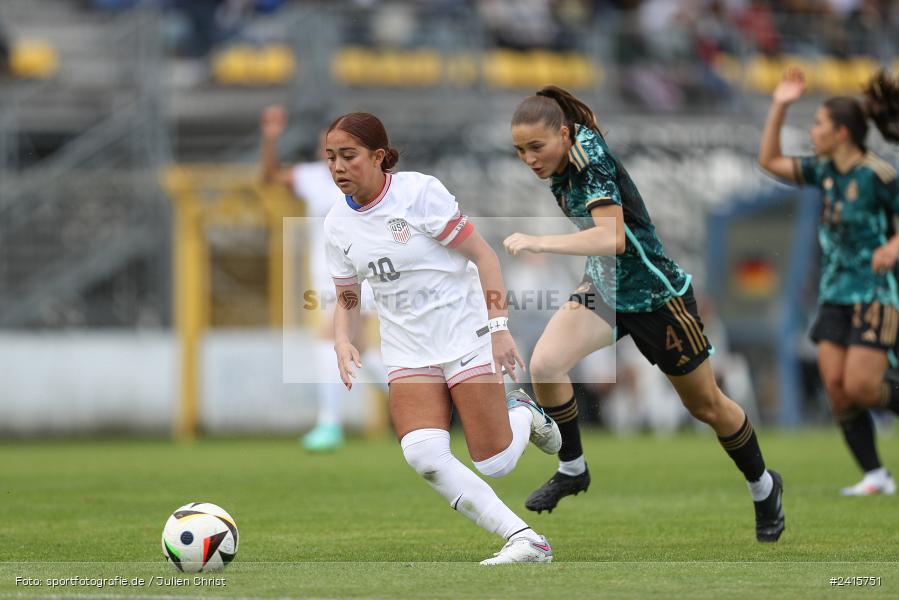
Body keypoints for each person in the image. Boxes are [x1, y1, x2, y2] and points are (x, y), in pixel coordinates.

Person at [503, 85, 785, 542]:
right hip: (607, 289)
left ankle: (764, 485)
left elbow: (613, 238)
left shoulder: (587, 160)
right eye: (520, 151)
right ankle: (573, 469)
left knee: (706, 405)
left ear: (563, 133)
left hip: (657, 298)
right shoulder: (559, 160)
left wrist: (540, 242)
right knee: (546, 363)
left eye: (536, 147)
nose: (530, 159)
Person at [323, 111, 562, 564]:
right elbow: (347, 296)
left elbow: (485, 256)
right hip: (407, 347)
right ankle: (526, 540)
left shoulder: (419, 193)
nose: (337, 167)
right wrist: (342, 340)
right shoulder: (336, 224)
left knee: (495, 463)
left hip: (464, 331)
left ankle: (525, 414)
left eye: (348, 156)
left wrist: (498, 328)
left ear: (378, 157)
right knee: (423, 455)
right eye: (331, 157)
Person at [758, 68, 899, 496]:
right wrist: (780, 104)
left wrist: (894, 247)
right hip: (834, 294)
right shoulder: (824, 171)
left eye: (818, 124)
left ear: (840, 133)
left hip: (874, 294)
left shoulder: (878, 175)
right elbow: (768, 161)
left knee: (861, 386)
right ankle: (876, 476)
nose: (813, 132)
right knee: (838, 390)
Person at [260, 104, 382, 452]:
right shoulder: (313, 176)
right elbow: (269, 177)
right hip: (326, 277)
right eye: (329, 149)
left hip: (362, 277)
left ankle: (329, 423)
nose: (333, 156)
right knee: (364, 352)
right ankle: (433, 409)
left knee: (328, 339)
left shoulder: (369, 179)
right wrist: (271, 139)